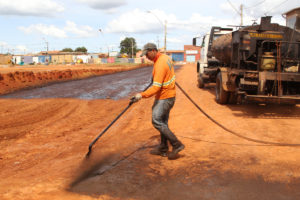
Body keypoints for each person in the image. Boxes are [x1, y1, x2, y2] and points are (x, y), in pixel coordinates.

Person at [131, 43, 184, 160]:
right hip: (168, 95)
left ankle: (177, 144)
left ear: (153, 50)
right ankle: (163, 147)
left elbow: (155, 88)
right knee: (163, 122)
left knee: (156, 120)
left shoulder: (160, 63)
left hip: (165, 97)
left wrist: (141, 95)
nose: (147, 57)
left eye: (147, 54)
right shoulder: (164, 58)